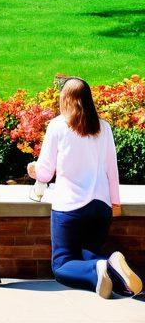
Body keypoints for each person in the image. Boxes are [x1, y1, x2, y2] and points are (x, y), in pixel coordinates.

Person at [29, 77, 141, 299]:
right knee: (89, 254)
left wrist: (33, 169)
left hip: (69, 206)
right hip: (101, 207)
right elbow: (112, 168)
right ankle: (105, 271)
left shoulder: (58, 126)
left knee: (61, 266)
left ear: (65, 100)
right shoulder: (104, 127)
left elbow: (44, 172)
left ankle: (103, 267)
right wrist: (115, 203)